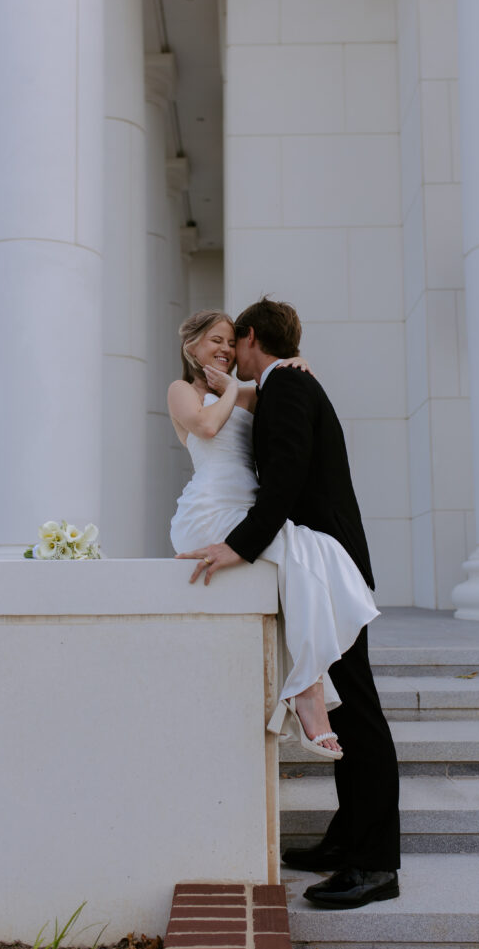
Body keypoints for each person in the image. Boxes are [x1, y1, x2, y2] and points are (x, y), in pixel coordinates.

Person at [171, 299, 400, 911]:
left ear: (249, 338)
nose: (228, 352)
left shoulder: (290, 388)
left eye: (232, 340)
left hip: (329, 569)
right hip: (314, 564)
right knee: (349, 707)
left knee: (360, 715)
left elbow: (288, 481)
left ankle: (376, 864)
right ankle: (346, 840)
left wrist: (238, 546)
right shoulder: (280, 386)